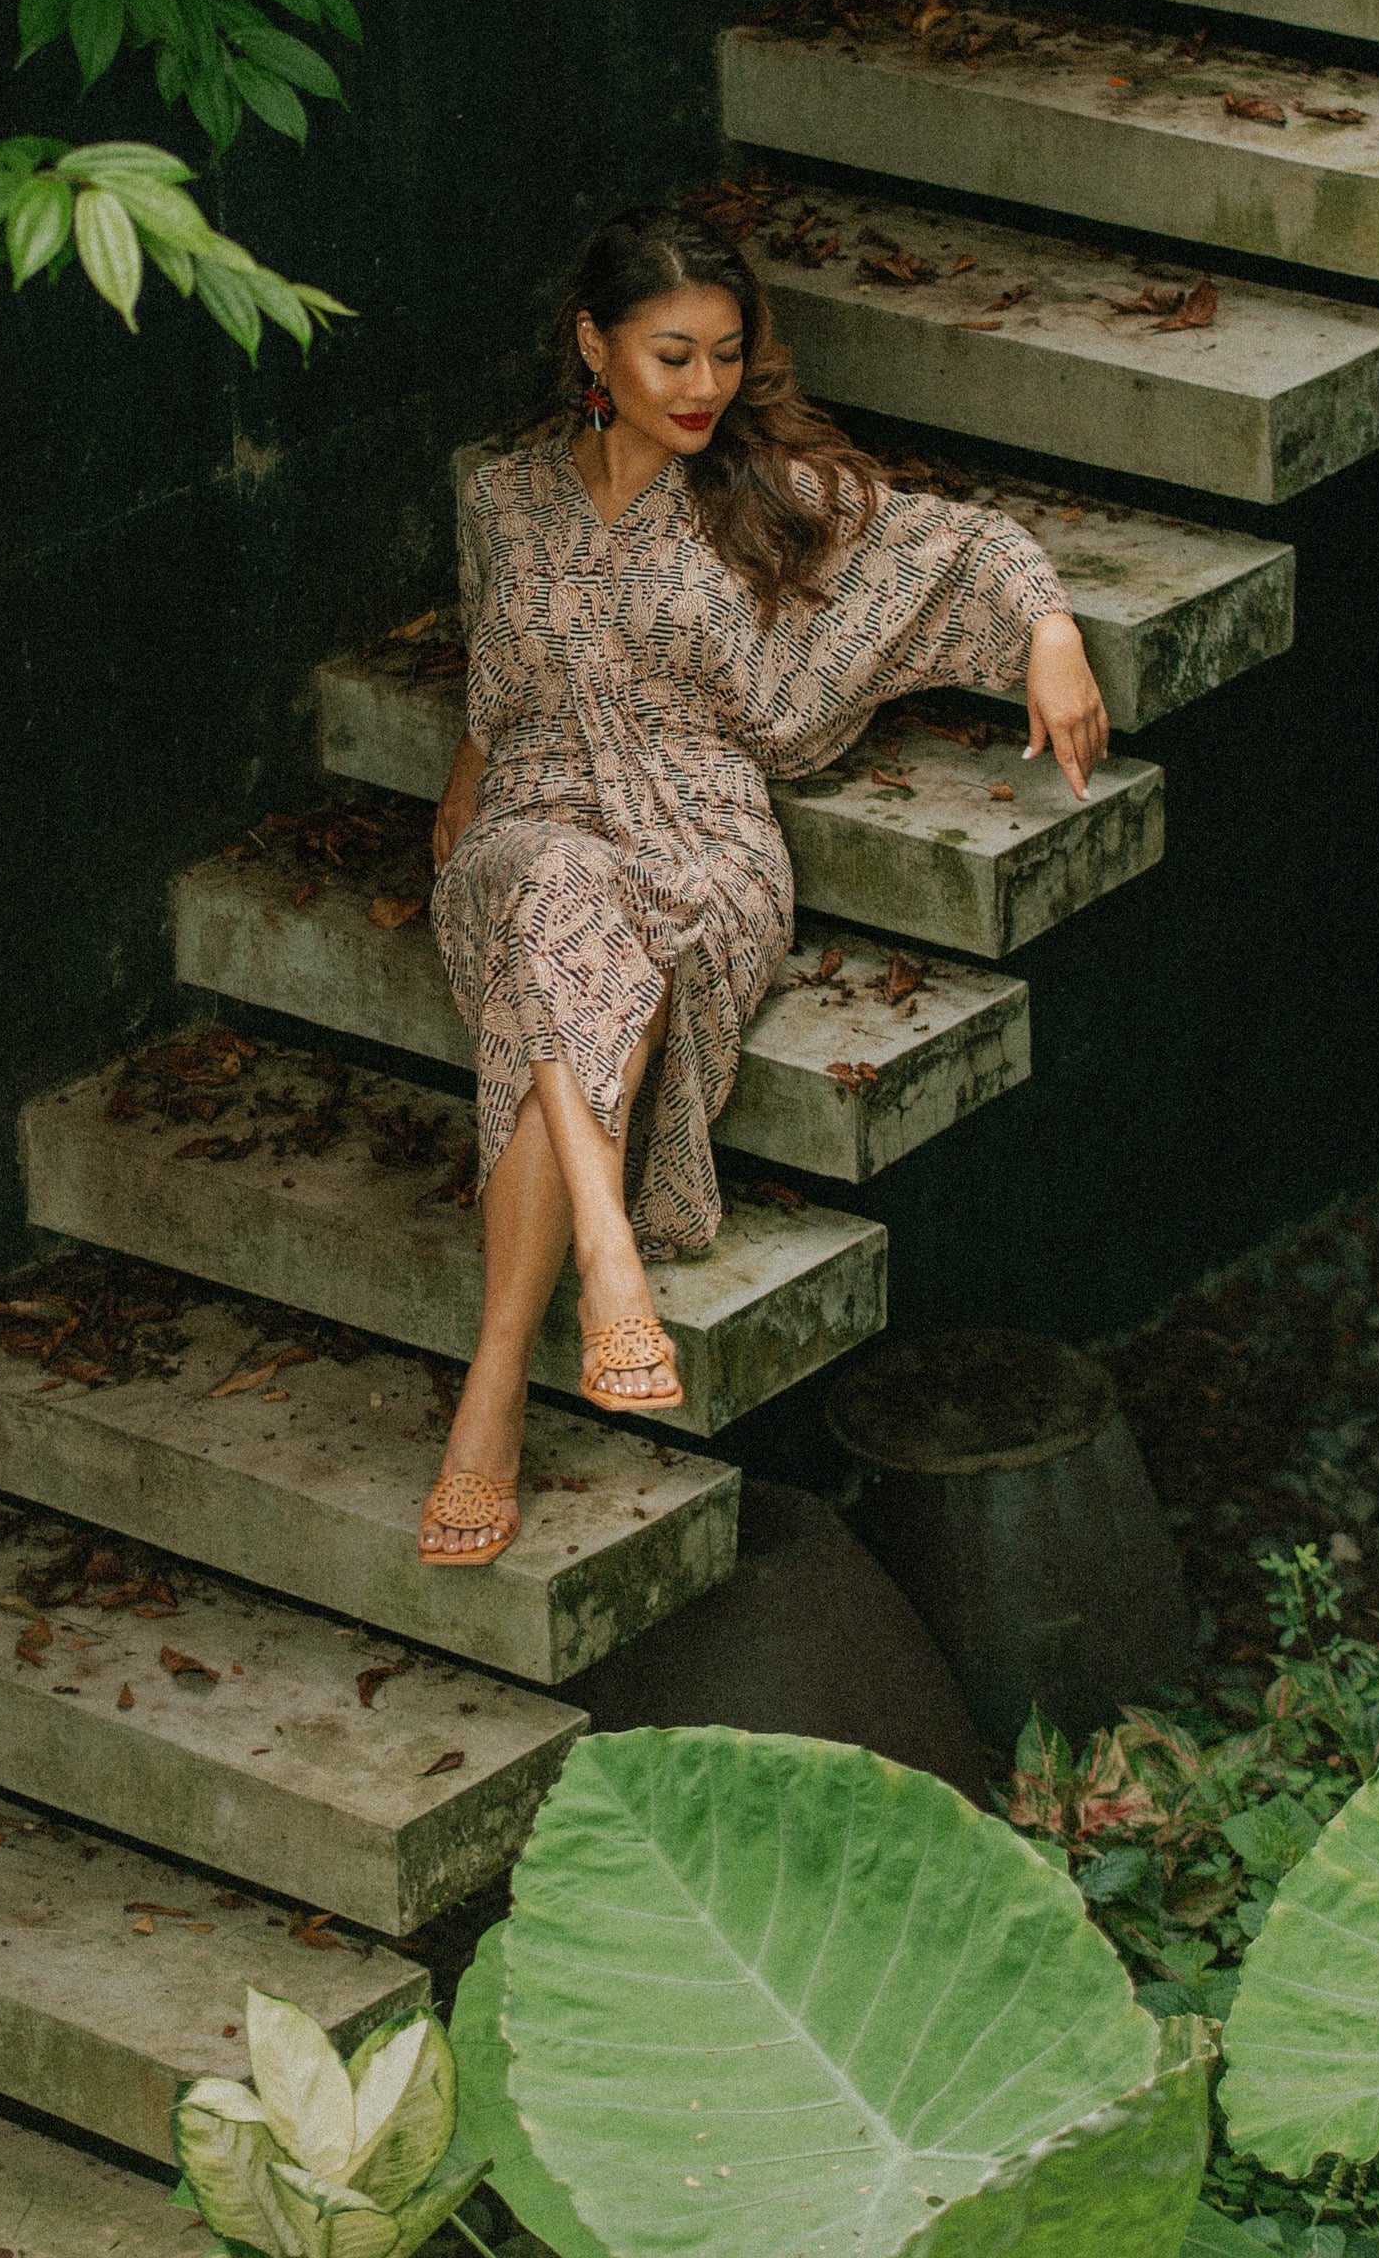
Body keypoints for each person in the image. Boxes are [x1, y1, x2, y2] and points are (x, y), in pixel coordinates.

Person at [417, 198, 1108, 1565]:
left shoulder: (764, 491)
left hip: (695, 836)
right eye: (670, 354)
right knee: (550, 876)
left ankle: (499, 1388)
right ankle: (600, 1271)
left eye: (725, 355)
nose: (703, 387)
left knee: (577, 919)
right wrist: (467, 774)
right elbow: (501, 677)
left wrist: (1050, 633)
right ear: (592, 348)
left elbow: (967, 545)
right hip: (537, 807)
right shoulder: (502, 493)